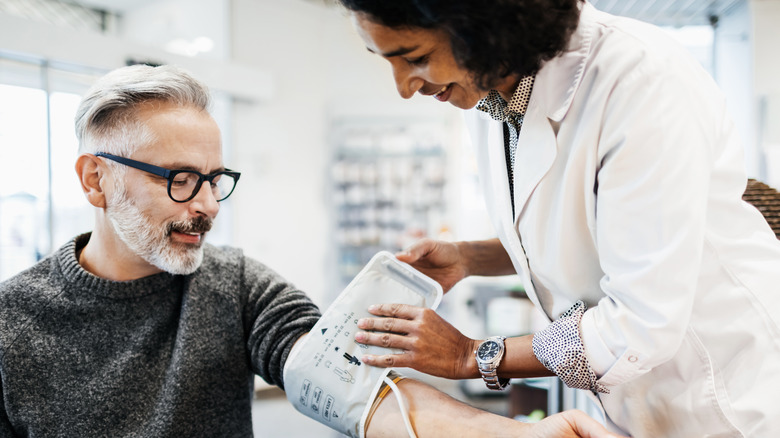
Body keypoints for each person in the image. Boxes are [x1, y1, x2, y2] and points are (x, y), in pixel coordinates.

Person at [0, 64, 619, 438]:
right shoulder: (12, 323)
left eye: (216, 179)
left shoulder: (233, 284)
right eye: (181, 179)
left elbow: (347, 381)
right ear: (95, 180)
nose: (210, 205)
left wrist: (503, 433)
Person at [338, 0, 780, 437]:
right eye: (387, 61)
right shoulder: (490, 94)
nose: (404, 86)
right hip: (638, 401)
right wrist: (470, 257)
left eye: (416, 58)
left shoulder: (642, 81)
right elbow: (576, 232)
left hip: (731, 397)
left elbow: (643, 322)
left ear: (486, 23)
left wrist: (473, 356)